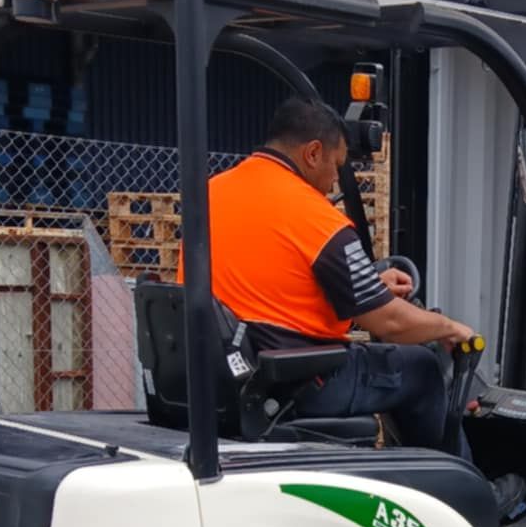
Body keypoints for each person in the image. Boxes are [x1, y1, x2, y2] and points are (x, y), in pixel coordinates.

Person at [190, 96, 477, 455]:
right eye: (336, 165)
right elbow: (390, 322)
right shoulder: (314, 215)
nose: (332, 182)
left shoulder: (211, 193)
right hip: (298, 382)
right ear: (313, 153)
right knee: (421, 368)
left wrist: (371, 283)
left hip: (227, 371)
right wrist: (450, 327)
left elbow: (270, 281)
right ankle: (462, 488)